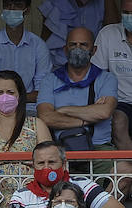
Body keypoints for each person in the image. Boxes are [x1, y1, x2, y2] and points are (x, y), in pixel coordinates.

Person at [0, 71, 51, 206]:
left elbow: (49, 160)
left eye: (10, 92)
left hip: (32, 193)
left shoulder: (36, 125)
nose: (5, 97)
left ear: (19, 95)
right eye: (0, 92)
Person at [38, 26, 118, 156]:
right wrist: (86, 119)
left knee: (123, 173)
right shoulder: (50, 79)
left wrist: (64, 110)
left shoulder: (107, 78)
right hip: (60, 150)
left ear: (94, 50)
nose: (78, 49)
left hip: (98, 148)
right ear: (65, 50)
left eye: (84, 45)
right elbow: (46, 117)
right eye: (73, 45)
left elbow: (104, 112)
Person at [0, 0, 52, 97]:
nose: (12, 9)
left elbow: (42, 91)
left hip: (29, 107)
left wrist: (16, 99)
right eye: (8, 5)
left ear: (27, 10)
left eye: (17, 5)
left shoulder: (38, 46)